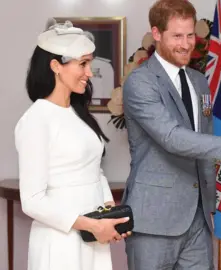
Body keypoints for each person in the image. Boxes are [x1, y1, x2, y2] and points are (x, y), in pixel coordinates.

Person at [121, 0, 221, 269]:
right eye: (177, 36)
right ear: (156, 34)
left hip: (199, 218)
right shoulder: (141, 82)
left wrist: (211, 204)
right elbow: (173, 137)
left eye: (190, 34)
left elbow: (203, 140)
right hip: (154, 218)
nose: (186, 44)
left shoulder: (199, 81)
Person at [15, 21, 130, 270]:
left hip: (93, 238)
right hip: (59, 243)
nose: (90, 72)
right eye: (83, 64)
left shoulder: (79, 114)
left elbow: (94, 171)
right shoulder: (36, 119)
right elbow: (32, 200)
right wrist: (91, 225)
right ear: (56, 66)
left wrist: (109, 212)